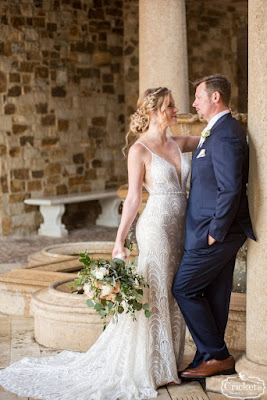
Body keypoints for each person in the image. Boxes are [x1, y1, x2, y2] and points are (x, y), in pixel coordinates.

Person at [0, 87, 199, 400]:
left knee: (175, 292)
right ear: (154, 111)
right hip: (156, 229)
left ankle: (168, 362)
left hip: (183, 230)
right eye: (171, 105)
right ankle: (150, 367)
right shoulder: (140, 150)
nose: (177, 109)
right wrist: (119, 240)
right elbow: (133, 198)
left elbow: (217, 140)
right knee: (156, 290)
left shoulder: (181, 142)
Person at [172, 74, 256, 380]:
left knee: (183, 288)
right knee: (216, 294)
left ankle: (218, 355)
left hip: (216, 233)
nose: (194, 103)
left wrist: (214, 232)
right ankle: (208, 356)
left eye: (198, 97)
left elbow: (231, 188)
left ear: (215, 98)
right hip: (213, 231)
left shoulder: (227, 134)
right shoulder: (216, 131)